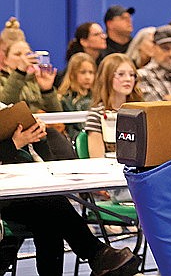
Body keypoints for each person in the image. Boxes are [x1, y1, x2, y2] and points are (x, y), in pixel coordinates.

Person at [1, 108, 141, 276]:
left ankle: (97, 255)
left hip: (26, 190)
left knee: (47, 216)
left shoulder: (6, 112)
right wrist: (14, 144)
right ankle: (96, 254)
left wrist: (39, 137)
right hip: (8, 195)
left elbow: (48, 162)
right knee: (50, 204)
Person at [85, 54, 144, 159]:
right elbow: (97, 159)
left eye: (132, 75)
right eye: (121, 74)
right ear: (107, 77)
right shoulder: (96, 115)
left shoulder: (142, 111)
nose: (128, 79)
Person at [58, 53, 96, 141]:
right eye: (83, 72)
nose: (88, 77)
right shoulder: (64, 99)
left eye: (91, 72)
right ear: (72, 74)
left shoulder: (97, 97)